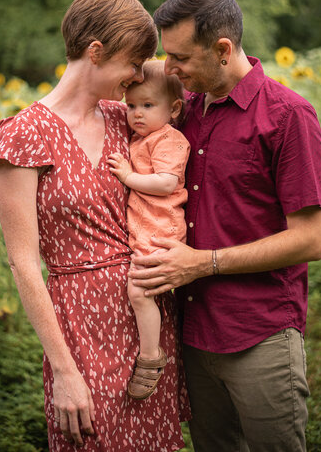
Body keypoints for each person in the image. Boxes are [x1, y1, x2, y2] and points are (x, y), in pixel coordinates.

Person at [0, 0, 190, 452]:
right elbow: (24, 264)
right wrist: (65, 372)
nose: (138, 77)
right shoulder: (23, 136)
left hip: (147, 324)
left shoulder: (126, 118)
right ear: (96, 52)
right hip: (79, 329)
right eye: (133, 65)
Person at [129, 0, 321, 452]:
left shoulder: (288, 117)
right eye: (167, 56)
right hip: (194, 335)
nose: (169, 68)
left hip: (258, 335)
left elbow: (312, 240)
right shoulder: (184, 108)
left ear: (222, 49)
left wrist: (204, 262)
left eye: (179, 57)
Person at [107, 60, 190, 400]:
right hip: (147, 228)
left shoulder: (169, 139)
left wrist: (127, 177)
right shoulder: (143, 137)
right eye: (131, 105)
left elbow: (166, 182)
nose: (136, 114)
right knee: (145, 293)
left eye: (147, 105)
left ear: (173, 109)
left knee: (139, 291)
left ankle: (151, 357)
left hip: (161, 230)